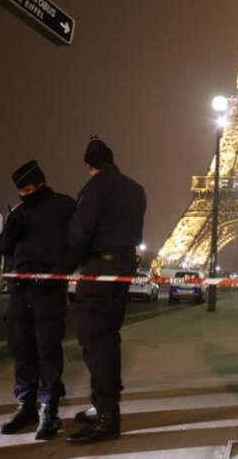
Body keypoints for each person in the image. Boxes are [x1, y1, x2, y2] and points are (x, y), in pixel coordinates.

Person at [65, 137, 146, 445]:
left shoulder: (95, 188)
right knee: (108, 338)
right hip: (124, 271)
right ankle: (103, 405)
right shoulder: (135, 189)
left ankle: (106, 418)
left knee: (95, 342)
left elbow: (81, 231)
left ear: (90, 165)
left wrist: (65, 267)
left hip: (100, 271)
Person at [0, 160, 77, 440]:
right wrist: (11, 230)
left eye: (28, 189)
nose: (24, 194)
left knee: (47, 348)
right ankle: (26, 404)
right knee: (21, 347)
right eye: (20, 191)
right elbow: (4, 248)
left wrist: (58, 274)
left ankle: (48, 407)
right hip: (20, 288)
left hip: (49, 288)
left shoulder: (65, 207)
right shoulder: (19, 212)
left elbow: (77, 245)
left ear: (41, 183)